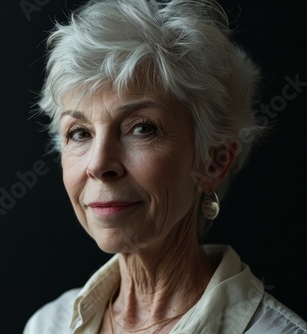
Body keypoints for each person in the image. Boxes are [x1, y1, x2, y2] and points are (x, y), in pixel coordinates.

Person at [23, 0, 307, 333]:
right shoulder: (47, 325)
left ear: (213, 161)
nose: (99, 164)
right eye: (80, 133)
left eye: (141, 128)